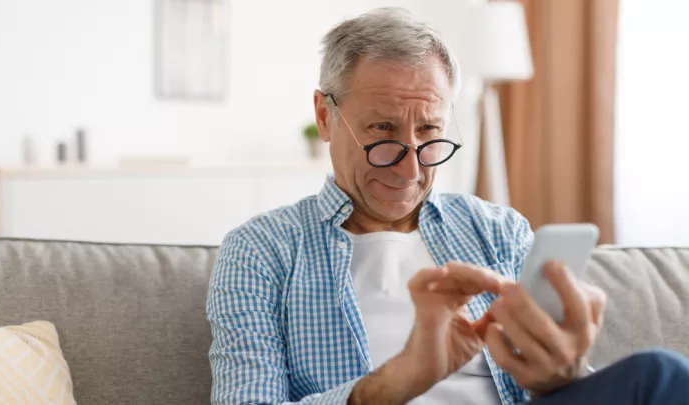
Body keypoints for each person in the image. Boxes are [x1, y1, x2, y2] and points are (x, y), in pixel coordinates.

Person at [206, 7, 689, 405]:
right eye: (381, 132)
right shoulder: (261, 250)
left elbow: (558, 385)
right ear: (324, 116)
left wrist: (565, 369)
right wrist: (394, 382)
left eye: (430, 133)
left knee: (659, 375)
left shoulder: (497, 229)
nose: (410, 170)